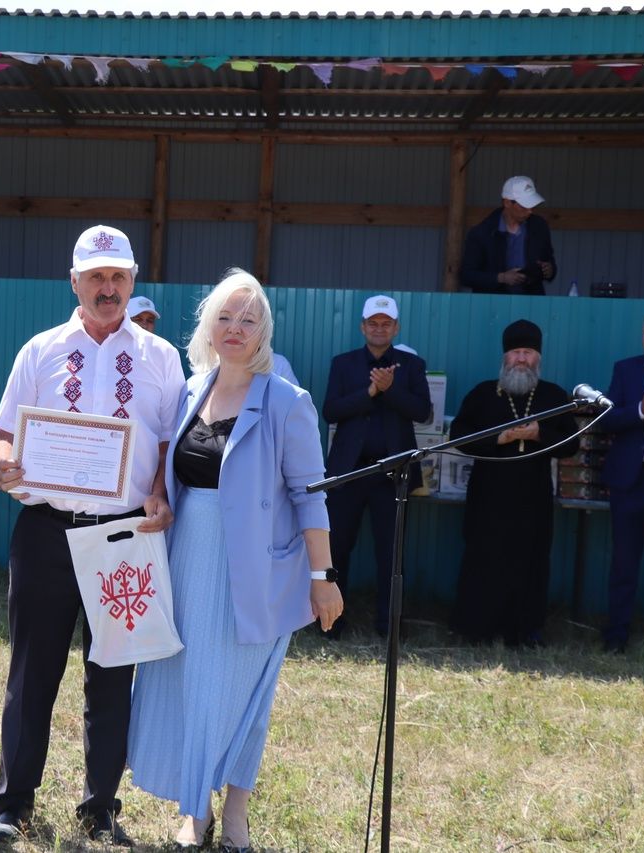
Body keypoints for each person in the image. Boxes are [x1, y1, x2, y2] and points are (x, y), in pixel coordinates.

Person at [128, 269, 342, 852]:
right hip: (187, 560)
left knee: (245, 693)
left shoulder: (287, 401)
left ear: (263, 331)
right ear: (208, 325)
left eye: (248, 319)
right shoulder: (189, 389)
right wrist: (156, 492)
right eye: (225, 316)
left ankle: (237, 811)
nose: (235, 328)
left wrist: (323, 578)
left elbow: (310, 493)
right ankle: (193, 811)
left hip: (258, 572)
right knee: (192, 685)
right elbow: (170, 464)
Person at [0, 225, 186, 847]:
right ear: (74, 282)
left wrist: (159, 491)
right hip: (46, 532)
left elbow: (167, 446)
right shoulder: (40, 349)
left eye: (118, 277)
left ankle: (100, 807)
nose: (108, 288)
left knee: (112, 678)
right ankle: (13, 802)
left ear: (133, 282)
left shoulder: (160, 357)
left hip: (123, 536)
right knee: (32, 674)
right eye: (96, 277)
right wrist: (4, 462)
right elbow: (4, 430)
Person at [448, 320, 579, 647]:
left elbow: (571, 444)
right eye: (516, 352)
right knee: (484, 560)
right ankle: (475, 630)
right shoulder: (482, 393)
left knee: (531, 563)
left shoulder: (553, 396)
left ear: (538, 358)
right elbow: (458, 438)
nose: (521, 359)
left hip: (533, 497)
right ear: (505, 357)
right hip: (488, 496)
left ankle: (525, 632)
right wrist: (500, 438)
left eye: (528, 352)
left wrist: (539, 434)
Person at [322, 294, 430, 637]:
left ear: (396, 327)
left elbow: (422, 411)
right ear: (362, 326)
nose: (379, 329)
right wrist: (370, 392)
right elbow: (331, 411)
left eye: (386, 324)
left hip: (393, 475)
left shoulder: (411, 366)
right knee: (337, 549)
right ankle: (332, 622)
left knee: (391, 553)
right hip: (348, 473)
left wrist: (390, 389)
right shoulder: (344, 363)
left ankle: (389, 625)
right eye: (373, 323)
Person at [598, 307, 644, 653]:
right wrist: (641, 409)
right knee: (624, 562)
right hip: (633, 481)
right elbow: (608, 419)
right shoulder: (626, 369)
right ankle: (616, 637)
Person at [461, 176, 557, 295]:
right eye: (524, 205)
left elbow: (549, 259)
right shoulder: (482, 233)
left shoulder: (539, 226)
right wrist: (501, 278)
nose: (530, 210)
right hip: (493, 306)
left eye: (532, 205)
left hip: (532, 304)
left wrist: (550, 270)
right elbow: (466, 275)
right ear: (507, 203)